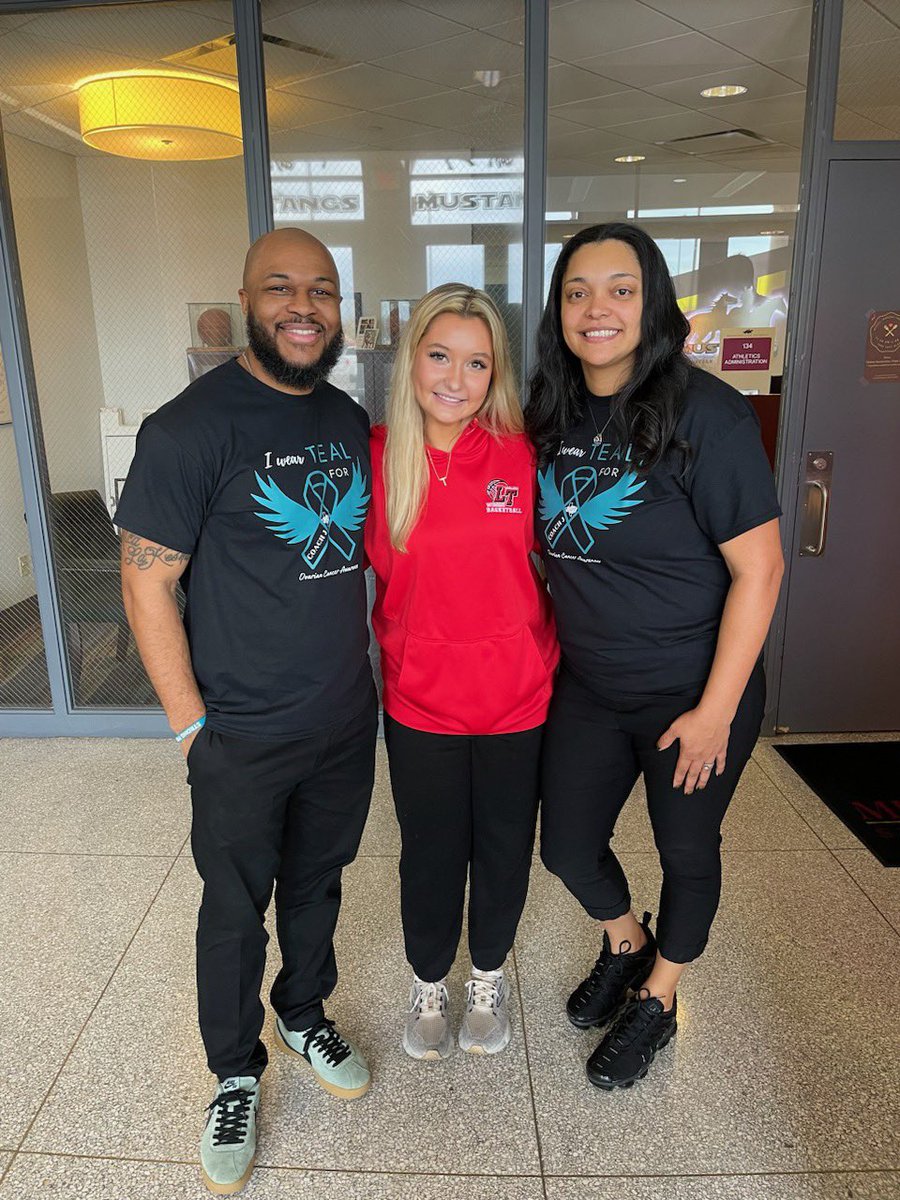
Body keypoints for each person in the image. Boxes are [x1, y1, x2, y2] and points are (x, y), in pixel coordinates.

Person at [117, 227, 376, 1195]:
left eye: (321, 289)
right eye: (281, 288)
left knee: (319, 882)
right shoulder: (187, 428)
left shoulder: (349, 420)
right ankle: (234, 1069)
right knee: (234, 907)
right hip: (238, 732)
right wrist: (192, 728)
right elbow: (148, 584)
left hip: (346, 718)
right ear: (246, 298)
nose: (302, 306)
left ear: (340, 307)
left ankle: (303, 1010)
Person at [527, 223, 784, 1090]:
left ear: (653, 301)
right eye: (578, 292)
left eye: (621, 289)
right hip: (590, 688)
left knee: (686, 849)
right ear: (560, 310)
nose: (597, 309)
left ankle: (661, 1000)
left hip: (693, 688)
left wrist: (715, 712)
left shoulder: (705, 412)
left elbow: (762, 567)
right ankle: (626, 942)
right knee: (565, 844)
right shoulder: (550, 412)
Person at [365, 284, 558, 1060]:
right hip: (420, 703)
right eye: (440, 355)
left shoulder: (520, 453)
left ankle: (486, 976)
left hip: (519, 698)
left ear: (495, 374)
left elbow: (571, 560)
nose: (455, 377)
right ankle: (428, 982)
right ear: (411, 358)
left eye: (476, 363)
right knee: (432, 851)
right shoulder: (376, 459)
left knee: (505, 847)